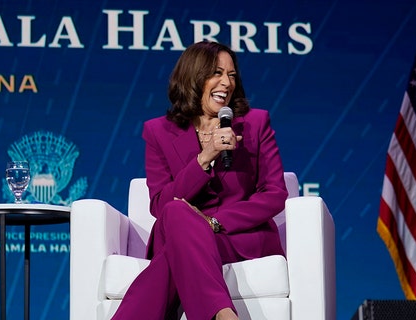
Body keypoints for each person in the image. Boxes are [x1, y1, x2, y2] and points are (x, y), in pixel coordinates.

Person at [111, 41, 288, 320]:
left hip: (238, 238)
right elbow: (159, 204)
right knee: (173, 209)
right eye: (216, 73)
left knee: (174, 258)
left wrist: (215, 223)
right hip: (184, 232)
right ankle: (223, 315)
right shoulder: (158, 131)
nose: (226, 83)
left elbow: (275, 193)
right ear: (193, 77)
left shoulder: (255, 123)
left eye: (231, 75)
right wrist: (204, 158)